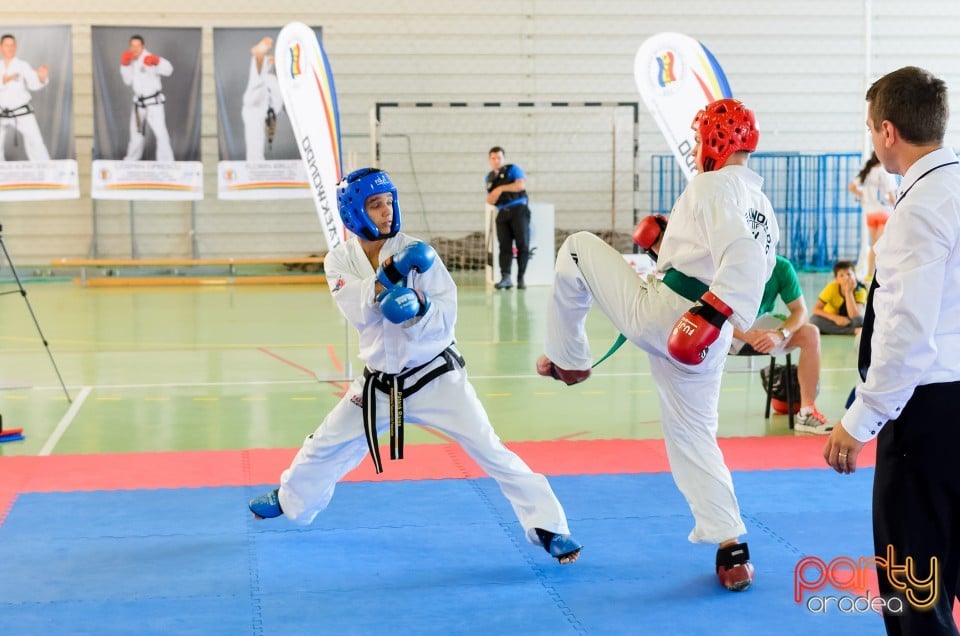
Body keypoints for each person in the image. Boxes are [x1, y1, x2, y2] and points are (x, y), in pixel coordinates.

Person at [248, 167, 582, 566]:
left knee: (491, 449)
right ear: (354, 212)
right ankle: (290, 500)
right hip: (379, 385)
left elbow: (447, 314)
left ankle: (549, 527)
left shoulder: (420, 251)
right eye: (375, 204)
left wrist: (421, 307)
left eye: (389, 202)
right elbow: (360, 309)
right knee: (324, 445)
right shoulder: (339, 260)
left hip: (438, 377)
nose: (387, 211)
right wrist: (392, 277)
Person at [537, 98, 778, 592]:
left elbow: (744, 260)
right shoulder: (760, 203)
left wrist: (707, 314)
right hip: (704, 339)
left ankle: (569, 360)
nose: (695, 155)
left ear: (714, 140)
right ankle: (731, 546)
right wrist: (667, 245)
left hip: (674, 313)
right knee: (694, 436)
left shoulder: (712, 186)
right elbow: (734, 256)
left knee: (577, 247)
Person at [824, 66, 960, 635]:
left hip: (926, 418)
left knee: (916, 595)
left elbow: (905, 337)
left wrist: (860, 420)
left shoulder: (919, 210)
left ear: (886, 131)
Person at [729, 255, 830, 434]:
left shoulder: (780, 266)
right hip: (725, 325)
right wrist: (744, 335)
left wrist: (780, 334)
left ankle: (806, 413)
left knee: (810, 334)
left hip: (760, 325)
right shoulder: (727, 261)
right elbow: (705, 311)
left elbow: (800, 311)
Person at [120, 35, 174, 162]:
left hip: (154, 103)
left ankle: (167, 164)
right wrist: (125, 65)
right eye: (132, 46)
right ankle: (131, 161)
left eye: (137, 46)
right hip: (139, 104)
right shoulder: (130, 60)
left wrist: (157, 61)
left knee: (161, 134)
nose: (135, 49)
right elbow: (127, 81)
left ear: (143, 46)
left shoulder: (149, 58)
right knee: (136, 136)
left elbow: (169, 70)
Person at [485, 146, 531, 290]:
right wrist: (494, 195)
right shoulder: (489, 178)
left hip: (519, 209)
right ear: (489, 160)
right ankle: (506, 277)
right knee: (504, 246)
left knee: (522, 244)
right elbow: (490, 200)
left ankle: (521, 278)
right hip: (502, 212)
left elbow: (520, 185)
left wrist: (500, 189)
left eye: (499, 157)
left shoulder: (512, 169)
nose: (496, 160)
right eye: (493, 158)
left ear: (504, 158)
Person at [0, 34, 51, 161]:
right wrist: (4, 80)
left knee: (35, 141)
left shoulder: (22, 66)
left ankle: (45, 173)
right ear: (1, 47)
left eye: (12, 45)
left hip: (21, 110)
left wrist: (41, 77)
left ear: (16, 47)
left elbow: (33, 84)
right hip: (1, 111)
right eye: (7, 45)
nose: (10, 48)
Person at [849, 151, 897, 280]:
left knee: (874, 245)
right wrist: (898, 206)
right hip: (884, 212)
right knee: (882, 245)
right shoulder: (885, 171)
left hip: (870, 213)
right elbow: (891, 195)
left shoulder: (867, 171)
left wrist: (864, 195)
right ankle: (883, 275)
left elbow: (851, 187)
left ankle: (869, 275)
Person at [242, 36, 283, 162]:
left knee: (257, 141)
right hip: (254, 106)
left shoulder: (275, 80)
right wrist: (261, 57)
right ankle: (259, 57)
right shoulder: (266, 78)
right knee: (255, 142)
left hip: (264, 109)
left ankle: (260, 58)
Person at [809, 260, 866, 335]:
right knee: (814, 320)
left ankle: (834, 330)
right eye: (841, 275)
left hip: (849, 321)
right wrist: (836, 318)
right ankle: (852, 331)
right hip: (832, 319)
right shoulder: (831, 288)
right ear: (836, 279)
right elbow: (816, 309)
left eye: (849, 274)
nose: (846, 277)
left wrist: (848, 292)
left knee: (859, 320)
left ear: (855, 276)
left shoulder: (860, 290)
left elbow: (854, 316)